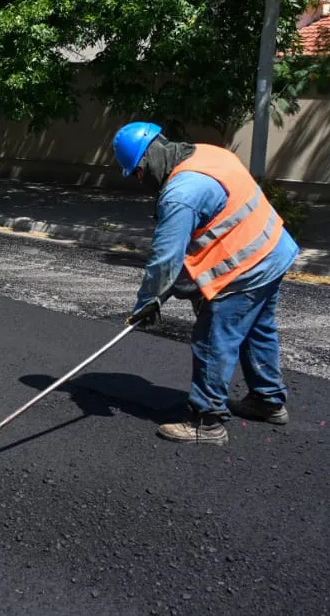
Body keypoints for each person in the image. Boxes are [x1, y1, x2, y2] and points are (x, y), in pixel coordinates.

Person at [113, 121, 299, 446]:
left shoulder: (180, 194)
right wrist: (187, 286)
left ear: (146, 161)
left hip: (246, 267)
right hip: (274, 249)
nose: (141, 180)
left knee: (212, 338)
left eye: (138, 173)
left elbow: (165, 259)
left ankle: (206, 421)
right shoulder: (208, 153)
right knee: (257, 328)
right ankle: (268, 400)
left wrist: (147, 302)